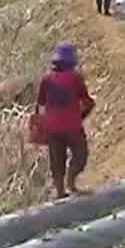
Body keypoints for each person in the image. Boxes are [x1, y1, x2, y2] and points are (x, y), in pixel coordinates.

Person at [34, 44, 95, 198]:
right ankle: (71, 181)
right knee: (80, 155)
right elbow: (88, 102)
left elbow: (40, 104)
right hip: (72, 126)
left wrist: (41, 125)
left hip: (53, 128)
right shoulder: (75, 78)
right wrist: (82, 116)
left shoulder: (46, 79)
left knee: (56, 161)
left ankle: (60, 192)